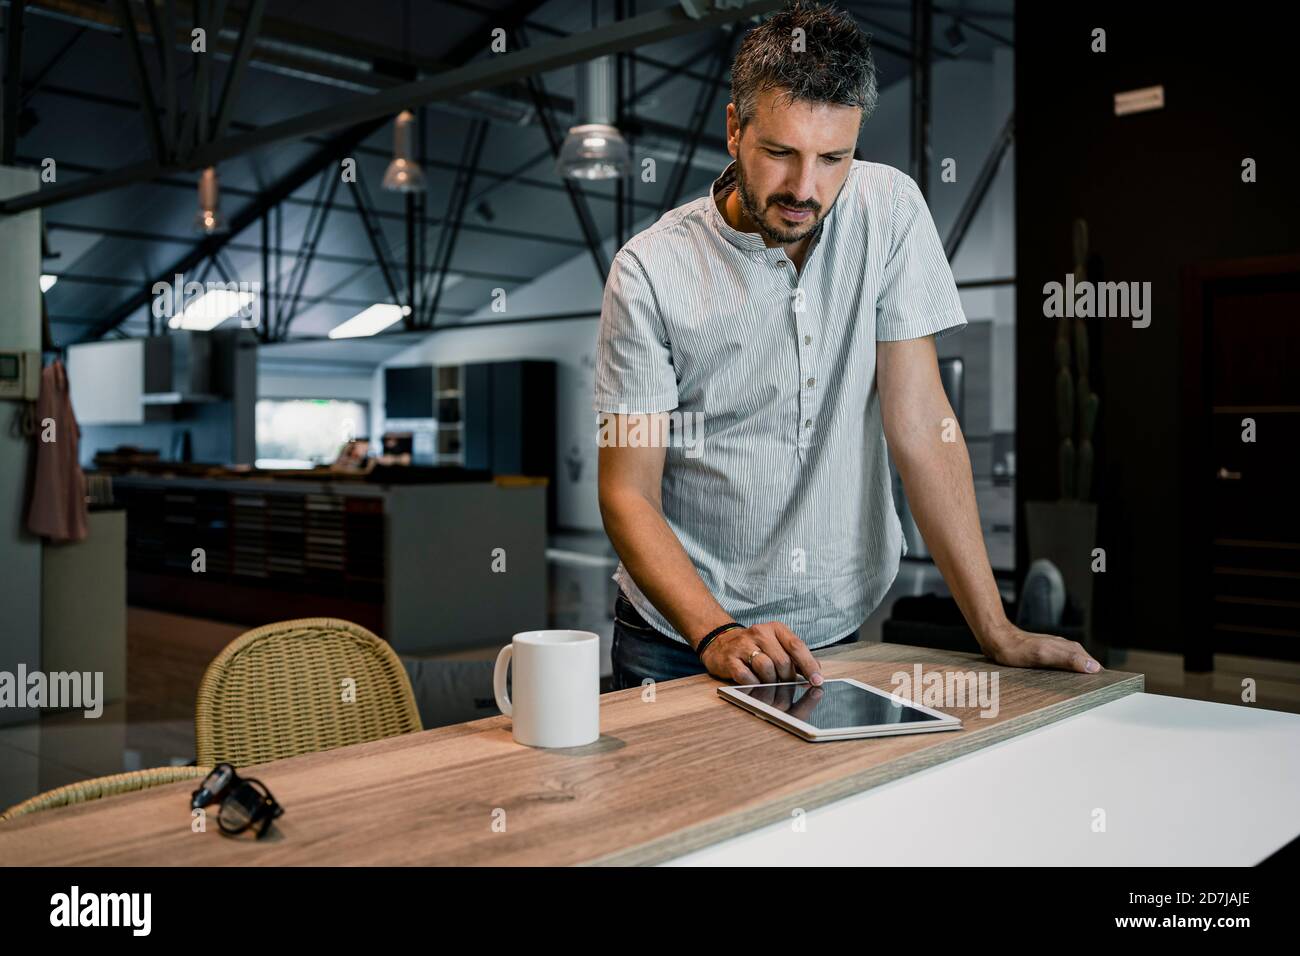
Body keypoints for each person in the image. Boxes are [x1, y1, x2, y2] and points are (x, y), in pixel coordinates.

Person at [595, 1, 1103, 690]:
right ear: (734, 129)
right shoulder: (648, 270)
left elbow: (922, 422)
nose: (805, 189)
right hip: (678, 641)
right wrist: (715, 632)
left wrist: (997, 629)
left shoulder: (889, 212)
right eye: (780, 153)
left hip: (827, 629)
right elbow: (627, 492)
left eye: (833, 157)